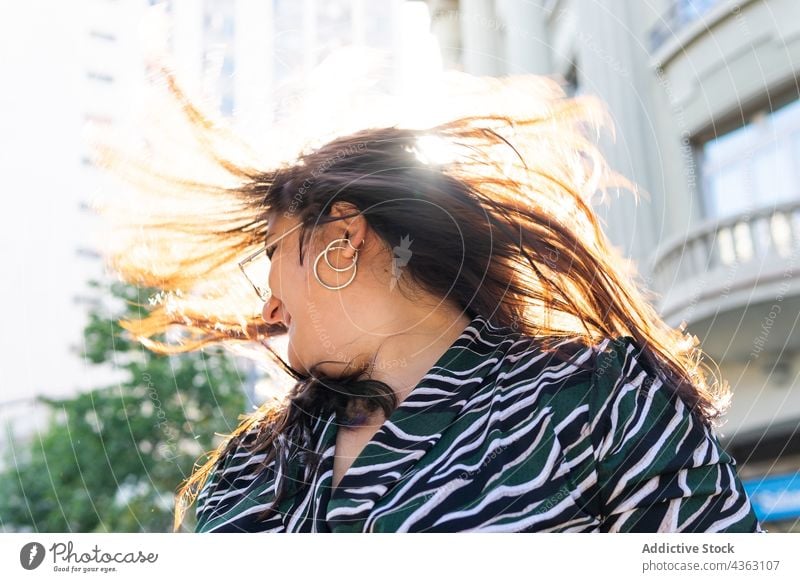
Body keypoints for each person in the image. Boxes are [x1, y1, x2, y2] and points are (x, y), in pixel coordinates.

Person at [97, 70, 765, 533]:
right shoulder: (248, 469)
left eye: (272, 256)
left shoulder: (598, 400)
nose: (267, 310)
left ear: (343, 237)